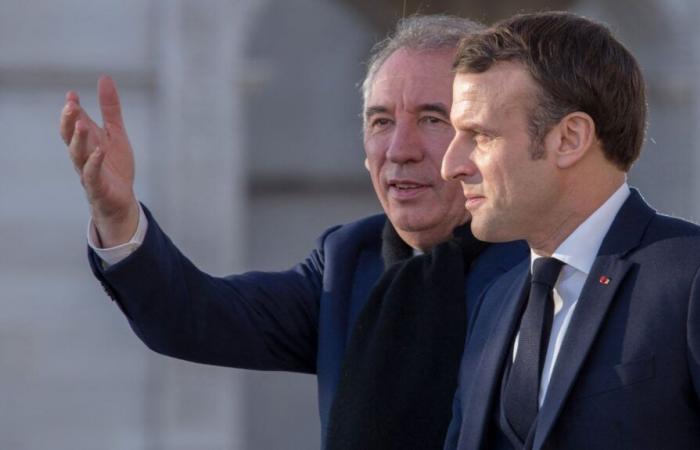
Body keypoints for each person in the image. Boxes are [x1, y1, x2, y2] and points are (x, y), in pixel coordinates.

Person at [59, 15, 526, 449]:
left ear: (483, 139)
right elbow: (191, 315)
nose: (400, 149)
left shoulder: (543, 262)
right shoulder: (346, 259)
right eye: (381, 122)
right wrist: (117, 215)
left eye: (432, 119)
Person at [441, 11, 700, 450]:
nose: (451, 166)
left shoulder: (689, 278)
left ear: (569, 139)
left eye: (480, 135)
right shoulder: (494, 300)